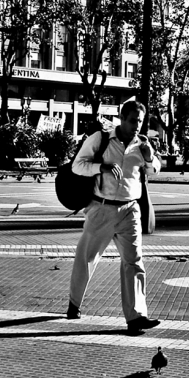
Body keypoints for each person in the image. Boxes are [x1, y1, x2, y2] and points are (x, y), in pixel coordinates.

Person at [66, 100, 162, 333]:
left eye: (140, 121)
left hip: (130, 209)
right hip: (102, 208)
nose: (136, 126)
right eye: (132, 121)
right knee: (87, 258)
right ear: (121, 118)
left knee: (134, 261)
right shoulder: (101, 139)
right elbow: (77, 166)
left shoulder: (142, 145)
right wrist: (102, 167)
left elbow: (154, 169)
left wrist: (150, 158)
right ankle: (74, 304)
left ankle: (136, 316)